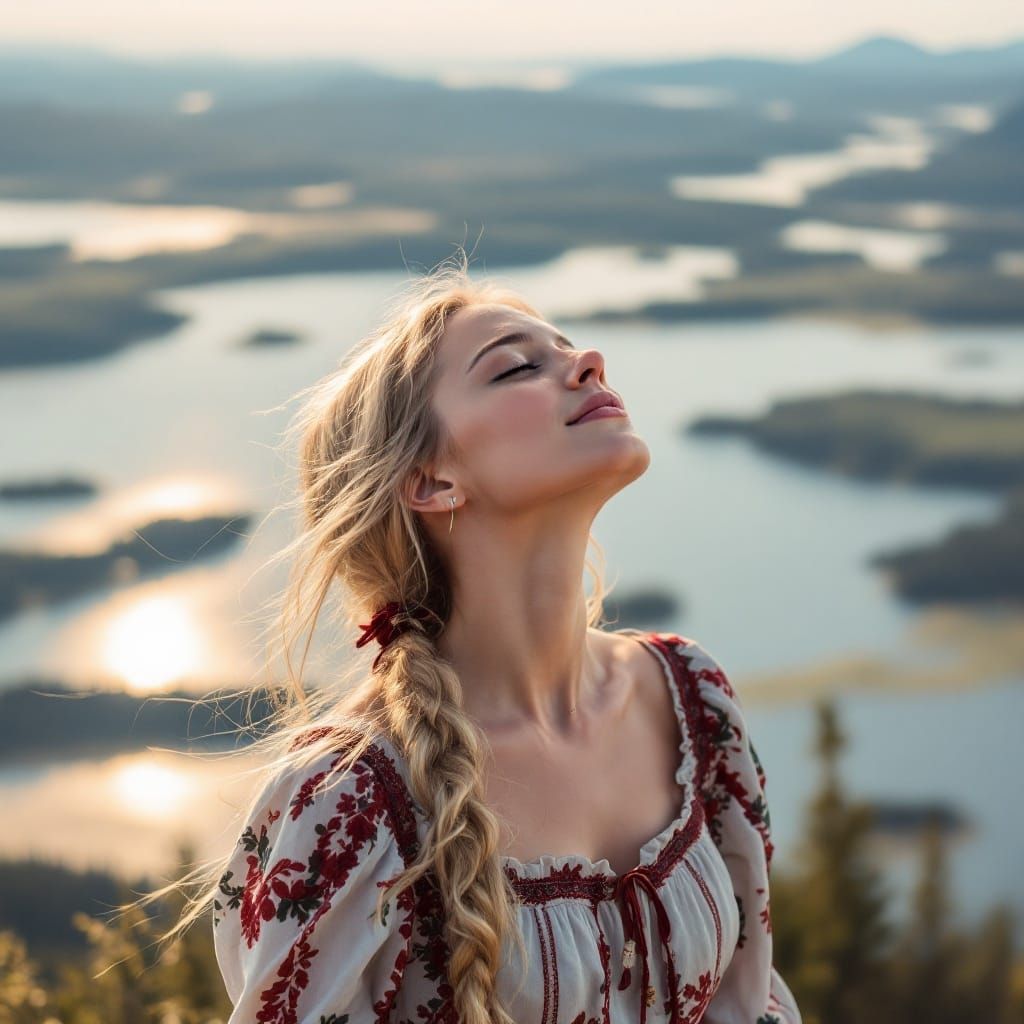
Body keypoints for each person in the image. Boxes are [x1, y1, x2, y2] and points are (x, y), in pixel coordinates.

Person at [159, 251, 801, 1023]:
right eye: (516, 368)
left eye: (568, 346)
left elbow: (750, 995)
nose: (589, 362)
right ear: (432, 482)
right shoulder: (347, 804)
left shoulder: (691, 697)